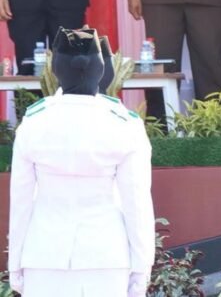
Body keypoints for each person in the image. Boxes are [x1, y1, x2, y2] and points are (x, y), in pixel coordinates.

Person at [8, 27, 154, 297]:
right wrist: (141, 267)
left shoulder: (34, 122)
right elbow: (137, 204)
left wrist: (14, 264)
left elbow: (21, 202)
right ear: (100, 70)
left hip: (44, 257)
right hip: (107, 257)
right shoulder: (124, 125)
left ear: (56, 71)